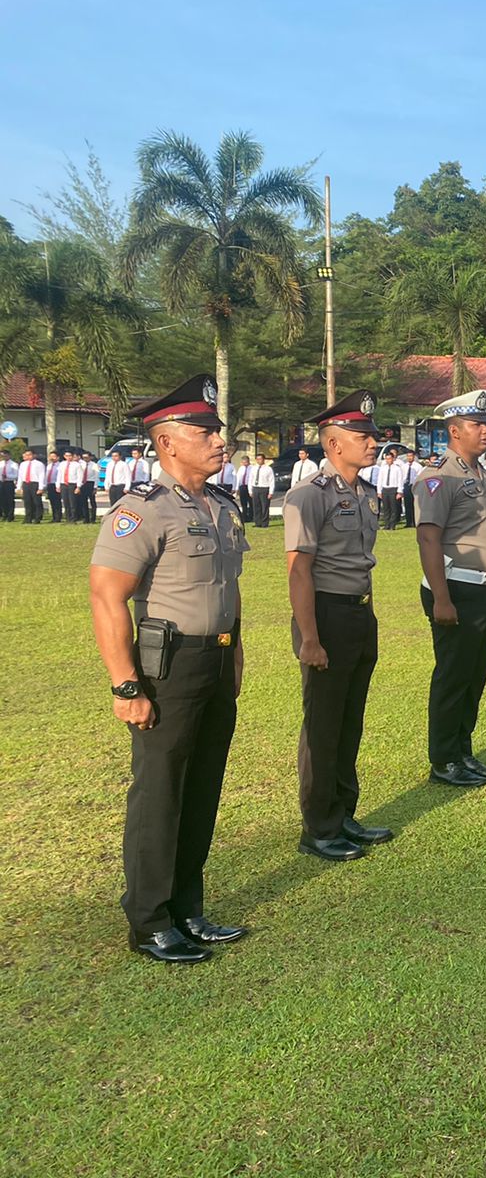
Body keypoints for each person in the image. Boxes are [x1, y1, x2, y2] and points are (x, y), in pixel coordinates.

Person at [87, 373, 250, 964]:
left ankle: (188, 907)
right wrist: (126, 684)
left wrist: (234, 656)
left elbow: (227, 591)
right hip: (168, 666)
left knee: (203, 787)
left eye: (217, 429)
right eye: (203, 430)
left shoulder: (221, 506)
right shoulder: (141, 511)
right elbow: (107, 596)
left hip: (216, 659)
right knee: (160, 792)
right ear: (166, 443)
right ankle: (150, 919)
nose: (218, 439)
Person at [283, 389, 393, 861]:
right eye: (361, 435)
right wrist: (310, 637)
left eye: (372, 435)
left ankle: (344, 813)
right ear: (332, 444)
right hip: (324, 615)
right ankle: (319, 827)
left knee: (350, 722)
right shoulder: (309, 495)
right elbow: (299, 570)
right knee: (324, 725)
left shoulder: (364, 494)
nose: (373, 443)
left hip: (357, 613)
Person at [414, 389, 486, 788]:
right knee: (453, 676)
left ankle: (464, 751)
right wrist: (441, 597)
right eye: (476, 424)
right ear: (454, 431)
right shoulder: (439, 477)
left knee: (475, 675)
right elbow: (428, 539)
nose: (485, 430)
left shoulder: (482, 475)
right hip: (455, 589)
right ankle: (444, 759)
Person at [18, 449, 45, 523]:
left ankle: (37, 517)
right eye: (26, 455)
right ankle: (28, 518)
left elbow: (41, 476)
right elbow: (20, 476)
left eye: (29, 455)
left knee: (36, 501)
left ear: (34, 455)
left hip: (35, 483)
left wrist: (41, 487)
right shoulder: (23, 464)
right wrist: (19, 487)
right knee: (27, 501)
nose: (28, 456)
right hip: (26, 483)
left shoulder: (39, 464)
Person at [248, 455, 275, 528]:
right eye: (257, 459)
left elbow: (271, 481)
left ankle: (264, 523)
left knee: (265, 507)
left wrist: (271, 492)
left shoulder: (268, 469)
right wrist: (250, 490)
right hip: (256, 488)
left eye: (260, 459)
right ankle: (257, 522)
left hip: (264, 488)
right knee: (256, 507)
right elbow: (250, 479)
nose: (258, 460)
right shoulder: (253, 468)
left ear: (264, 460)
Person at [402, 450, 421, 528]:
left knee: (414, 504)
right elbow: (402, 477)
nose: (409, 457)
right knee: (407, 504)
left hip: (414, 486)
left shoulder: (418, 466)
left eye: (411, 456)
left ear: (414, 457)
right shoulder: (404, 466)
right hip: (406, 485)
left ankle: (414, 521)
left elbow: (419, 477)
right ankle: (408, 522)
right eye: (408, 456)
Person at [0, 449, 16, 522]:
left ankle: (10, 516)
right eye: (2, 456)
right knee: (2, 500)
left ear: (9, 455)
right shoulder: (1, 464)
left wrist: (7, 476)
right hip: (1, 483)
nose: (4, 457)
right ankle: (4, 514)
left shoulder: (14, 464)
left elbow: (16, 475)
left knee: (9, 500)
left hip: (9, 483)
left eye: (5, 455)